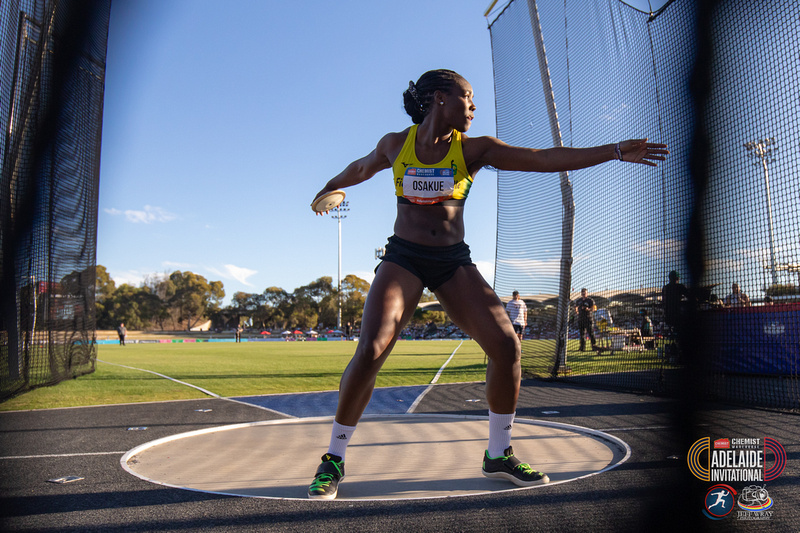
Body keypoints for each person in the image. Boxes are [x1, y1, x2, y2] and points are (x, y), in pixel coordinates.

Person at [307, 69, 668, 500]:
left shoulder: (476, 149)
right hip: (404, 256)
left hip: (451, 260)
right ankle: (333, 459)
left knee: (506, 345)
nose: (474, 108)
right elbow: (362, 167)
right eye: (468, 98)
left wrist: (612, 151)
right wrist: (330, 188)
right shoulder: (395, 144)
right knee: (371, 348)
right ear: (441, 98)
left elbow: (542, 159)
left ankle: (498, 453)